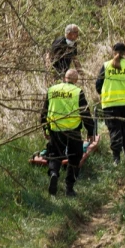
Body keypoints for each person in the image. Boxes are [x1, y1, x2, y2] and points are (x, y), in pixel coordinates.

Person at [39, 68, 95, 197]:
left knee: (54, 154)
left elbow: (44, 112)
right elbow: (85, 113)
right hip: (73, 130)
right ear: (76, 80)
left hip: (55, 128)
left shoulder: (52, 90)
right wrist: (90, 131)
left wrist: (45, 129)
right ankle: (69, 188)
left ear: (65, 78)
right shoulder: (77, 92)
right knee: (74, 157)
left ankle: (54, 174)